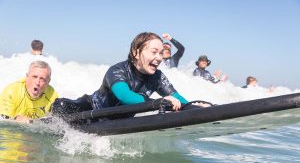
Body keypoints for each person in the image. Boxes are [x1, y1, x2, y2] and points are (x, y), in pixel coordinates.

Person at [52, 32, 208, 117]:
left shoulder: (158, 77)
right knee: (61, 106)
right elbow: (124, 97)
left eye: (161, 53)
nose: (159, 58)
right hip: (92, 110)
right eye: (154, 52)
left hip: (120, 118)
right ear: (136, 52)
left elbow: (176, 98)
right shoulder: (117, 70)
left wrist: (196, 107)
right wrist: (159, 101)